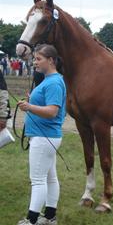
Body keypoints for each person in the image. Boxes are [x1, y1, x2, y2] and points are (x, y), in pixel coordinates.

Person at [17, 44, 66, 225]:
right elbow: (47, 105)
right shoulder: (51, 80)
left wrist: (29, 107)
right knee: (50, 178)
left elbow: (53, 111)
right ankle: (50, 216)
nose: (35, 63)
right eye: (35, 59)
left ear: (51, 60)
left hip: (44, 137)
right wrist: (32, 101)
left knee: (37, 180)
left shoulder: (53, 82)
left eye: (39, 59)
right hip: (47, 136)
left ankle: (31, 220)